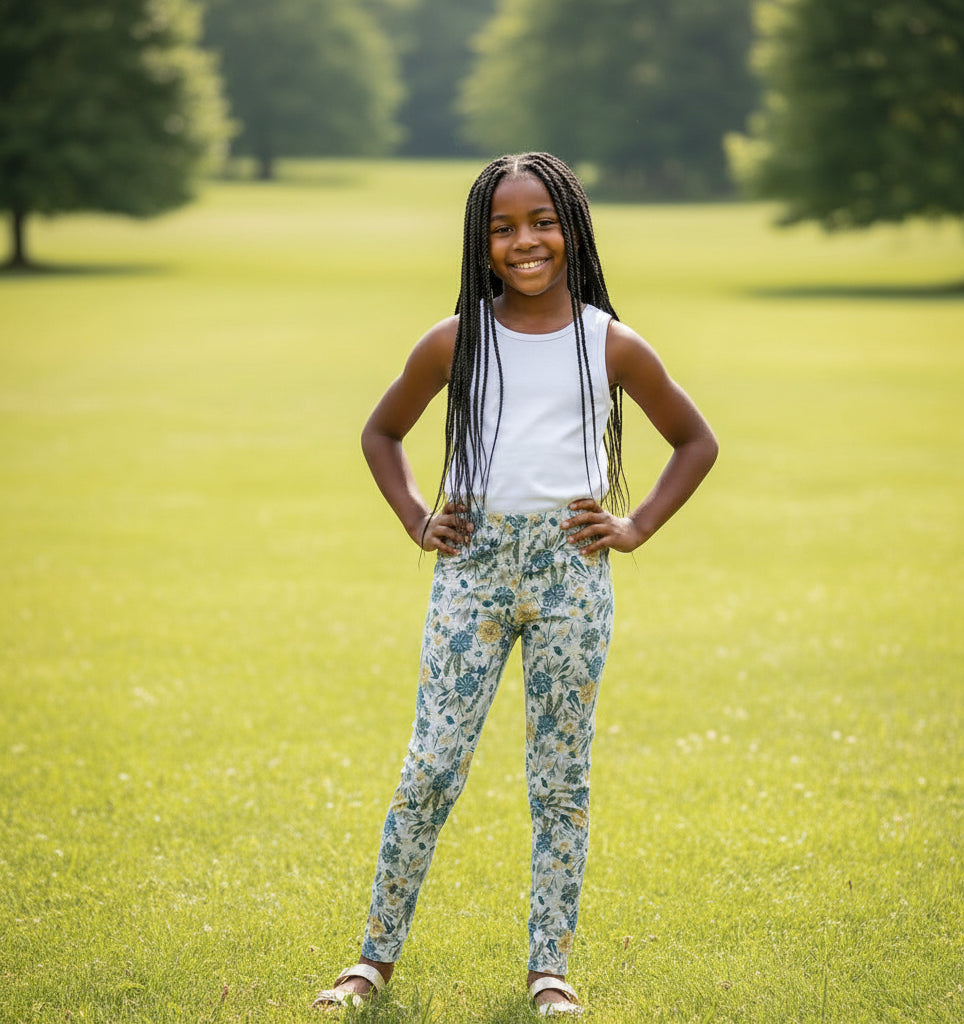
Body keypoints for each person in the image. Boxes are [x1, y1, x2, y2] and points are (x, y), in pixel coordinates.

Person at [313, 152, 718, 1016]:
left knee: (561, 779)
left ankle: (550, 968)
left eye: (542, 222)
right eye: (503, 228)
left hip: (572, 573)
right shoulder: (456, 339)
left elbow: (696, 440)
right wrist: (419, 518)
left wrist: (635, 525)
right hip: (475, 571)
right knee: (431, 768)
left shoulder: (611, 341)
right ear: (481, 241)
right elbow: (382, 432)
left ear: (571, 228)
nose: (525, 241)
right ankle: (372, 960)